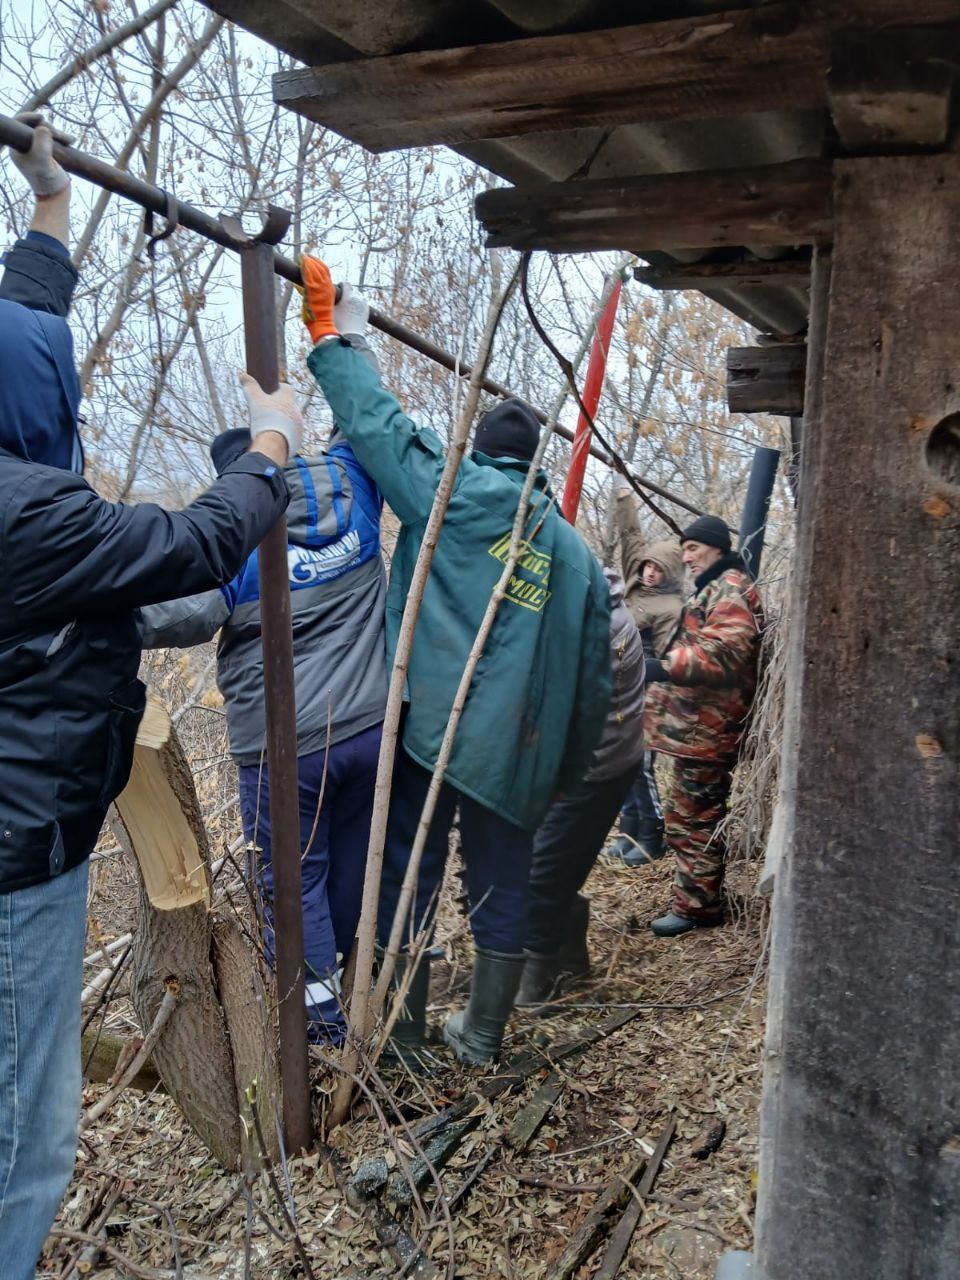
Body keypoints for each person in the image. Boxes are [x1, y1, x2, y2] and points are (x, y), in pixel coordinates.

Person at [0, 118, 299, 1280]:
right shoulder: (33, 513)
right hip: (19, 854)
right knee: (25, 1137)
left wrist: (52, 205)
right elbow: (197, 540)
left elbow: (27, 328)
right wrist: (268, 448)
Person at [298, 255, 612, 1064]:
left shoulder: (452, 491)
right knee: (502, 886)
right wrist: (561, 772)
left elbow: (376, 424)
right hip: (518, 757)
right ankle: (480, 1039)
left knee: (407, 872)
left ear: (482, 452)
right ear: (536, 464)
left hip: (428, 736)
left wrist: (338, 338)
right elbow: (594, 686)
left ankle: (400, 1036)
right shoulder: (574, 557)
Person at [140, 288, 387, 1045]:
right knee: (351, 859)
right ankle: (354, 976)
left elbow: (170, 616)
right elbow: (366, 421)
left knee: (292, 880)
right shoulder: (351, 487)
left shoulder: (231, 549)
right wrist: (347, 339)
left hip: (287, 751)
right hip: (373, 726)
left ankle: (318, 1022)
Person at [515, 570, 646, 1010]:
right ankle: (572, 965)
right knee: (556, 867)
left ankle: (538, 983)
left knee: (540, 875)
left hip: (594, 772)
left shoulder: (598, 629)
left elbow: (562, 712)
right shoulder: (600, 611)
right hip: (604, 765)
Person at [643, 513, 765, 937]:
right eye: (684, 548)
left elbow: (725, 653)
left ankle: (698, 909)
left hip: (708, 733)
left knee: (694, 819)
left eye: (693, 547)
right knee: (687, 816)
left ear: (716, 546)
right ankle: (695, 901)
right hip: (697, 732)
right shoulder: (715, 587)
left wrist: (661, 667)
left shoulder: (729, 587)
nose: (686, 556)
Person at [607, 476, 685, 865]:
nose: (651, 572)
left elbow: (671, 658)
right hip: (619, 683)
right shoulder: (635, 583)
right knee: (619, 760)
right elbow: (632, 536)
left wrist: (647, 671)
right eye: (649, 566)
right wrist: (624, 496)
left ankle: (651, 836)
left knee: (639, 762)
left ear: (670, 573)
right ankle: (628, 831)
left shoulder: (670, 607)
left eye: (659, 569)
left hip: (649, 688)